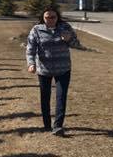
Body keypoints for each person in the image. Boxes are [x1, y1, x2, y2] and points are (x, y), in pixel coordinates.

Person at [26, 7, 79, 136]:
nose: (50, 20)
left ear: (57, 17)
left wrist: (69, 39)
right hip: (44, 69)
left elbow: (76, 44)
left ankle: (58, 126)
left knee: (61, 96)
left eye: (53, 17)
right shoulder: (37, 29)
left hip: (63, 69)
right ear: (43, 18)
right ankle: (47, 124)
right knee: (45, 96)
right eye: (47, 17)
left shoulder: (65, 27)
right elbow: (30, 48)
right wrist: (31, 63)